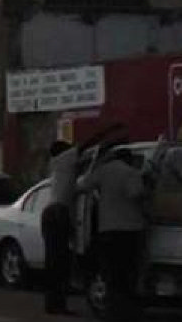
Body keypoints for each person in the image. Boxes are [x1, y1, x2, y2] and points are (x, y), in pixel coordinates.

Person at [43, 124, 125, 315]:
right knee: (59, 262)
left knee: (55, 261)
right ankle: (57, 305)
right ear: (64, 151)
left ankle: (53, 303)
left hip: (52, 214)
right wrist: (111, 132)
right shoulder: (65, 158)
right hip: (58, 213)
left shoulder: (59, 166)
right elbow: (90, 143)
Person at [79, 146, 148, 320]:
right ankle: (127, 311)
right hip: (130, 231)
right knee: (128, 273)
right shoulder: (131, 172)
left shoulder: (103, 171)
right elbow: (136, 194)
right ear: (129, 159)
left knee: (111, 274)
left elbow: (83, 185)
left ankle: (112, 311)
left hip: (107, 231)